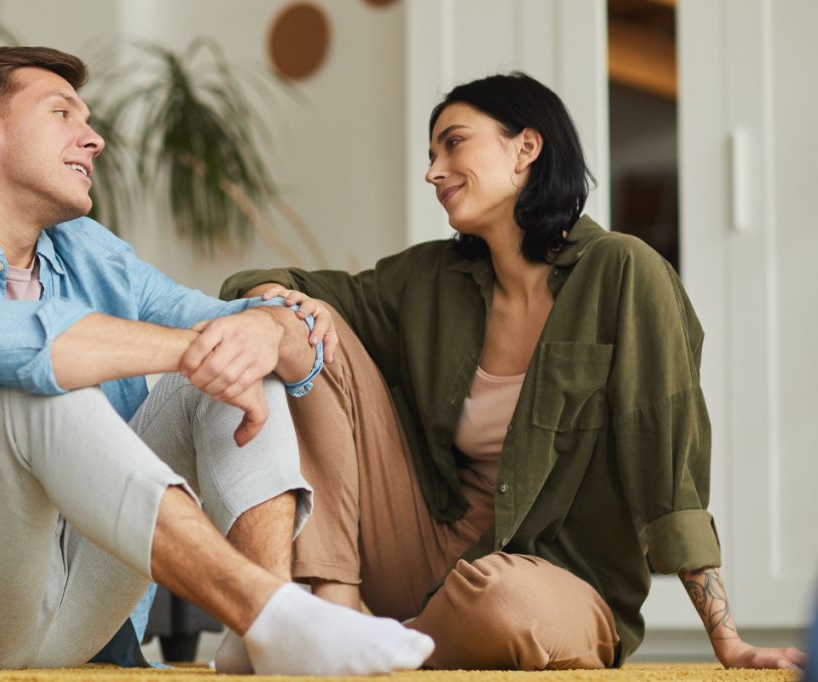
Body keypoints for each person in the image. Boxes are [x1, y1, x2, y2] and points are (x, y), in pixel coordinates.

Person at [0, 46, 435, 674]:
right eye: (63, 114)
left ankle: (264, 638)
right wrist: (198, 347)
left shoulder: (88, 253)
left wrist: (270, 325)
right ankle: (270, 611)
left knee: (238, 358)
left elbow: (245, 331)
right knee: (36, 391)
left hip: (80, 618)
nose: (93, 138)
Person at [221, 72, 807, 671]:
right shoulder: (430, 279)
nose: (433, 172)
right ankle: (337, 605)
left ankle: (363, 641)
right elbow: (270, 285)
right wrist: (284, 305)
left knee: (503, 603)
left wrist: (727, 638)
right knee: (299, 331)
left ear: (526, 148)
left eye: (454, 143)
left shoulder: (623, 272)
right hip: (420, 550)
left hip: (556, 584)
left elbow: (668, 463)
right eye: (431, 154)